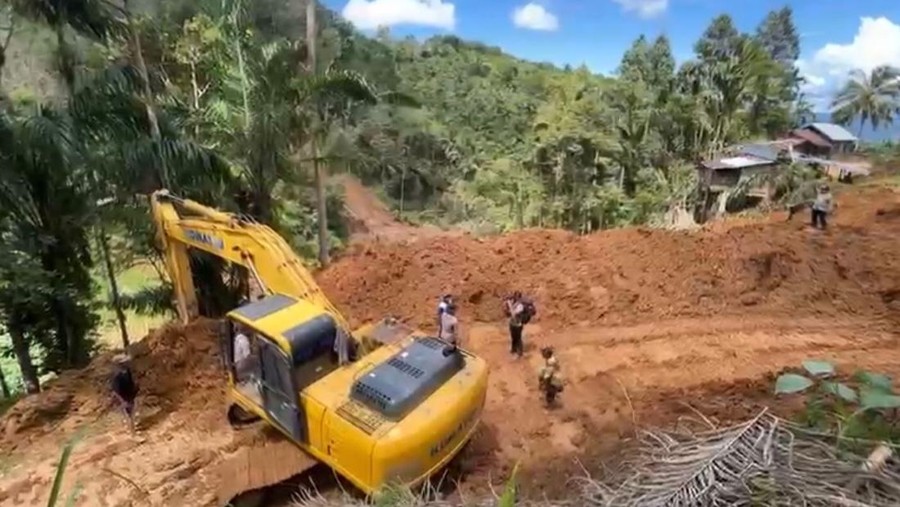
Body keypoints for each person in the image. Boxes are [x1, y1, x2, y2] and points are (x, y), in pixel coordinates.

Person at [110, 354, 139, 434]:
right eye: (125, 362)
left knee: (132, 413)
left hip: (130, 395)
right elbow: (116, 391)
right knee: (128, 415)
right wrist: (123, 401)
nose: (127, 363)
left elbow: (131, 382)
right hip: (123, 397)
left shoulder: (127, 371)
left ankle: (132, 429)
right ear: (120, 364)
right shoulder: (117, 376)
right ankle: (132, 433)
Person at [504, 292, 526, 358]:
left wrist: (509, 305)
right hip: (512, 323)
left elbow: (514, 314)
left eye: (515, 297)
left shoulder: (520, 306)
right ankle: (513, 349)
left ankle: (520, 352)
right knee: (513, 337)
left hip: (518, 324)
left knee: (518, 338)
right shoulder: (514, 304)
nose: (514, 298)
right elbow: (509, 313)